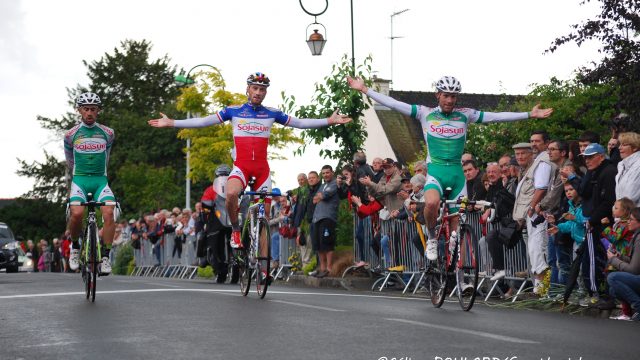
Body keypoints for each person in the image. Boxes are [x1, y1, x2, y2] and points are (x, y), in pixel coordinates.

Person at [347, 75, 553, 261]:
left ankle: (461, 278)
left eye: (454, 96)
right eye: (446, 96)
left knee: (458, 229)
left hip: (457, 174)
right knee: (432, 203)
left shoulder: (465, 114)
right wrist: (366, 90)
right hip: (436, 171)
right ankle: (433, 239)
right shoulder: (424, 113)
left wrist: (529, 114)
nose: (450, 100)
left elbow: (495, 116)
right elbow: (393, 103)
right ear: (438, 95)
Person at [149, 72, 351, 253]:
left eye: (262, 90)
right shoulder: (233, 111)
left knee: (262, 222)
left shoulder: (271, 113)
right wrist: (172, 122)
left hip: (262, 171)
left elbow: (299, 123)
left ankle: (263, 268)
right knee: (230, 194)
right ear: (247, 90)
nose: (259, 92)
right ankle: (236, 230)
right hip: (242, 167)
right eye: (255, 88)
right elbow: (203, 121)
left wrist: (328, 120)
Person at [64, 92, 116, 275]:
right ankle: (76, 247)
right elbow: (69, 161)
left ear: (98, 111)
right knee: (77, 213)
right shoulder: (71, 135)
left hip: (100, 180)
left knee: (109, 211)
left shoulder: (108, 133)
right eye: (86, 109)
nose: (89, 113)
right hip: (80, 180)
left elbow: (107, 156)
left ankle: (106, 257)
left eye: (93, 109)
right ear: (79, 110)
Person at [606, 207, 640, 321]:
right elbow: (634, 261)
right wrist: (619, 257)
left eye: (631, 219)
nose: (628, 222)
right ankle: (628, 313)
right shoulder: (636, 235)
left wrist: (613, 260)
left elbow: (634, 270)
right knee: (613, 289)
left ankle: (638, 306)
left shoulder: (639, 237)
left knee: (613, 278)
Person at [312, 165, 340, 278]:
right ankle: (322, 269)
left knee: (327, 243)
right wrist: (320, 196)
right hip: (317, 217)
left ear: (332, 172)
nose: (325, 175)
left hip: (328, 217)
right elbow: (315, 199)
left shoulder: (335, 184)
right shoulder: (323, 185)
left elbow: (324, 196)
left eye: (327, 173)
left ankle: (329, 268)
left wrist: (321, 196)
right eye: (323, 173)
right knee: (318, 245)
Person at [615, 132, 640, 206]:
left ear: (635, 147)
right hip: (623, 214)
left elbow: (631, 195)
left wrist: (618, 210)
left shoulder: (638, 165)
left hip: (635, 214)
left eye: (624, 145)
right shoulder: (621, 165)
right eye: (620, 144)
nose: (619, 147)